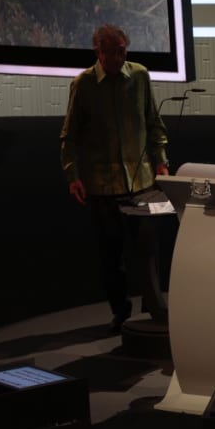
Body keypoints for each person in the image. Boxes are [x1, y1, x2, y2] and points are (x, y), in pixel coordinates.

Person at [60, 24, 169, 333]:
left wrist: (161, 162)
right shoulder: (83, 85)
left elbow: (153, 122)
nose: (120, 57)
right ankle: (120, 310)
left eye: (123, 50)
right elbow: (69, 137)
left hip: (142, 180)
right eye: (113, 52)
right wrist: (73, 175)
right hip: (102, 185)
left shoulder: (140, 76)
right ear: (99, 52)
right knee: (111, 253)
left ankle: (155, 305)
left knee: (147, 246)